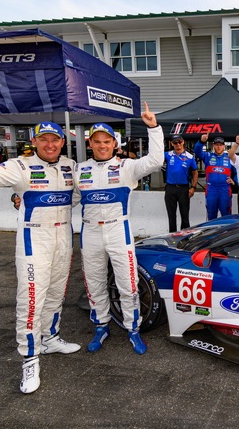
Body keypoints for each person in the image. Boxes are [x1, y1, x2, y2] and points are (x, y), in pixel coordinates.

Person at [0, 113, 80, 395]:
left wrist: (20, 199)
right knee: (32, 299)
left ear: (62, 142)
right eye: (44, 140)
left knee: (56, 295)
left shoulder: (70, 166)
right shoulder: (20, 166)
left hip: (64, 238)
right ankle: (30, 358)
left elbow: (77, 196)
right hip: (34, 240)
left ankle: (49, 338)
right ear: (34, 141)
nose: (50, 145)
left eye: (55, 140)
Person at [77, 107, 164, 356]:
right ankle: (101, 326)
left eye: (107, 141)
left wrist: (153, 128)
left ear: (114, 143)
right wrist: (19, 199)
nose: (102, 146)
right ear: (90, 143)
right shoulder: (79, 169)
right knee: (94, 284)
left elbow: (156, 161)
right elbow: (65, 198)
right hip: (90, 233)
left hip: (119, 231)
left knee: (128, 283)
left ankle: (133, 328)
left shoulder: (127, 166)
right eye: (97, 142)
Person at [163, 134, 198, 233]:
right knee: (171, 215)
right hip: (170, 188)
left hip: (183, 189)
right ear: (171, 144)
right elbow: (155, 158)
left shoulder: (190, 157)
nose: (178, 144)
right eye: (175, 142)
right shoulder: (168, 155)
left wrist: (193, 187)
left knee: (185, 215)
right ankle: (172, 236)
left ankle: (185, 238)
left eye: (179, 142)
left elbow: (195, 172)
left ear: (183, 142)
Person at [194, 134, 235, 220]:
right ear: (213, 146)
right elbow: (197, 152)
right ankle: (212, 233)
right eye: (217, 145)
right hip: (211, 189)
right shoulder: (208, 156)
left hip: (225, 190)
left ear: (224, 146)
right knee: (211, 216)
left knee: (226, 216)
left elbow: (237, 172)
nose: (219, 147)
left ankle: (226, 233)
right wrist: (201, 142)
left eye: (220, 145)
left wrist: (234, 181)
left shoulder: (229, 157)